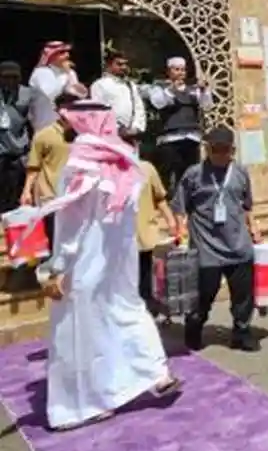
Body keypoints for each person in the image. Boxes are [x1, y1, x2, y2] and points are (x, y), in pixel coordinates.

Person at [30, 99, 182, 431]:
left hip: (86, 263)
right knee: (129, 311)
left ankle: (86, 404)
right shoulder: (127, 160)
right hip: (120, 261)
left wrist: (56, 266)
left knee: (82, 332)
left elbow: (71, 225)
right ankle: (156, 373)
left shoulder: (80, 163)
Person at [172, 126, 262, 352]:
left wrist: (254, 227)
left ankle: (241, 333)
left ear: (233, 151)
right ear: (207, 149)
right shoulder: (194, 174)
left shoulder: (240, 173)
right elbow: (180, 206)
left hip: (238, 246)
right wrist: (180, 229)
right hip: (206, 248)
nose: (220, 155)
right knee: (203, 295)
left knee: (243, 295)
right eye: (215, 150)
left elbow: (247, 205)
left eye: (225, 150)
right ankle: (194, 330)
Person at [146, 57, 212, 196]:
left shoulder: (192, 89)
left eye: (183, 70)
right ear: (169, 71)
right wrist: (171, 89)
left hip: (191, 138)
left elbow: (206, 105)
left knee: (188, 174)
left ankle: (185, 202)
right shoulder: (160, 88)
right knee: (167, 173)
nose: (181, 73)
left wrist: (204, 90)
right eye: (177, 69)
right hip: (170, 139)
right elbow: (159, 103)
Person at [20, 93, 76, 246]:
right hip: (50, 197)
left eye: (73, 108)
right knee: (52, 239)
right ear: (57, 110)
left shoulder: (83, 135)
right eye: (65, 108)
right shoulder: (44, 135)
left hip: (74, 197)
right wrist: (26, 191)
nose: (68, 112)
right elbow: (34, 166)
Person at [134, 141, 177, 318]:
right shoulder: (111, 170)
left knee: (144, 273)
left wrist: (171, 221)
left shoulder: (146, 169)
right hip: (131, 237)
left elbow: (159, 198)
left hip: (141, 234)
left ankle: (145, 307)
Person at [89, 47, 146, 139]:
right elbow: (98, 111)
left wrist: (136, 127)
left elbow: (139, 108)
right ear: (109, 65)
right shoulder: (99, 85)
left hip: (131, 134)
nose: (123, 67)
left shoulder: (130, 85)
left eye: (125, 64)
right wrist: (117, 129)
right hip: (109, 135)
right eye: (119, 64)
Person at [27, 42, 84, 133]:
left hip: (65, 126)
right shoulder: (41, 72)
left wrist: (69, 74)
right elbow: (51, 94)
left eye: (67, 52)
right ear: (51, 56)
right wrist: (66, 76)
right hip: (45, 125)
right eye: (62, 53)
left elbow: (80, 95)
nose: (67, 55)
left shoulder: (68, 73)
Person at [0, 61, 32, 213]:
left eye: (14, 77)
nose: (10, 81)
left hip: (18, 151)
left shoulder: (28, 94)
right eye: (6, 77)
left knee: (14, 194)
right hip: (1, 150)